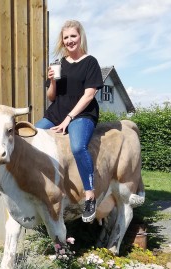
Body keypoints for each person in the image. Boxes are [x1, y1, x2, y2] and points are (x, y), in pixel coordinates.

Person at [36, 20, 104, 223]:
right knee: (32, 136)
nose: (69, 41)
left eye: (73, 36)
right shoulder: (59, 64)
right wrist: (53, 81)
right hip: (57, 112)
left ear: (80, 36)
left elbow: (89, 95)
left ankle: (90, 196)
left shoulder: (90, 62)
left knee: (77, 147)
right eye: (66, 37)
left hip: (81, 114)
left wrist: (69, 118)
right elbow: (51, 97)